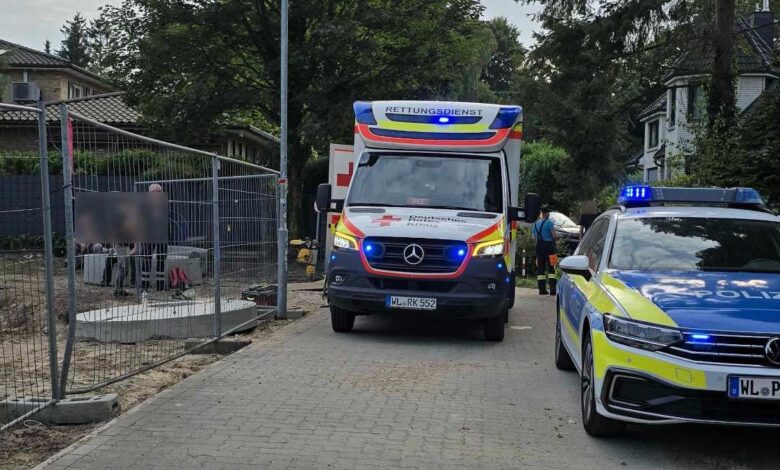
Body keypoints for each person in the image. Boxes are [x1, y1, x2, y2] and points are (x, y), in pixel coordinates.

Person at [532, 206, 557, 296]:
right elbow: (554, 235)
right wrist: (554, 243)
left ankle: (542, 290)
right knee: (552, 267)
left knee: (540, 269)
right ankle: (553, 290)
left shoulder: (535, 224)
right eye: (548, 213)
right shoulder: (549, 223)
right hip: (549, 247)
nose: (549, 214)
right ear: (545, 214)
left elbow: (533, 238)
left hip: (539, 247)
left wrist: (537, 246)